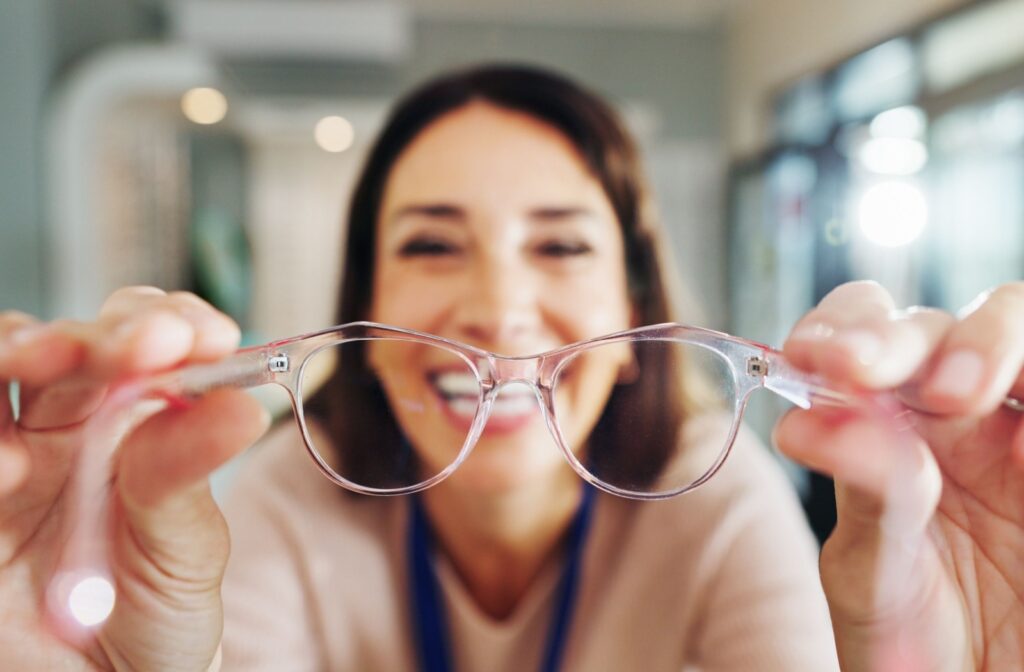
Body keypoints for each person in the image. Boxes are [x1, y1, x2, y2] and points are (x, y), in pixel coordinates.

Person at [0, 64, 1019, 671]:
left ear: (633, 319)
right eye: (432, 245)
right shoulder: (277, 505)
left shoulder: (718, 505)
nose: (495, 309)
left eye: (562, 245)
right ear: (365, 309)